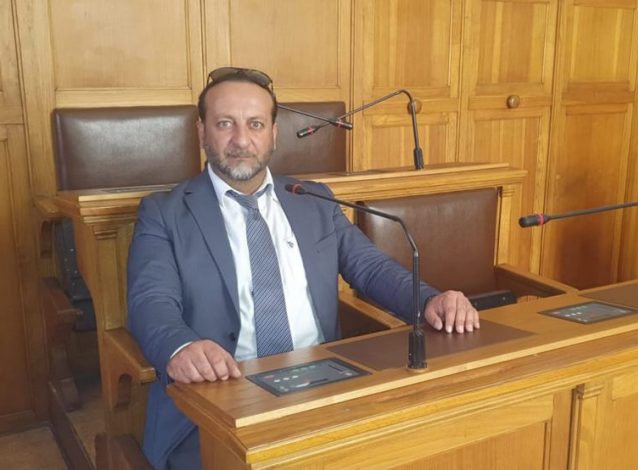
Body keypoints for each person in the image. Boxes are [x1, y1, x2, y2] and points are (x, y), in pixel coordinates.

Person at [127, 67, 479, 469]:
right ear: (202, 131)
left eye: (255, 124)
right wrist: (180, 347)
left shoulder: (312, 199)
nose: (241, 140)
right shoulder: (165, 213)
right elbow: (151, 300)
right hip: (220, 396)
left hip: (324, 387)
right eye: (225, 124)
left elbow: (371, 268)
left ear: (273, 133)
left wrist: (429, 300)